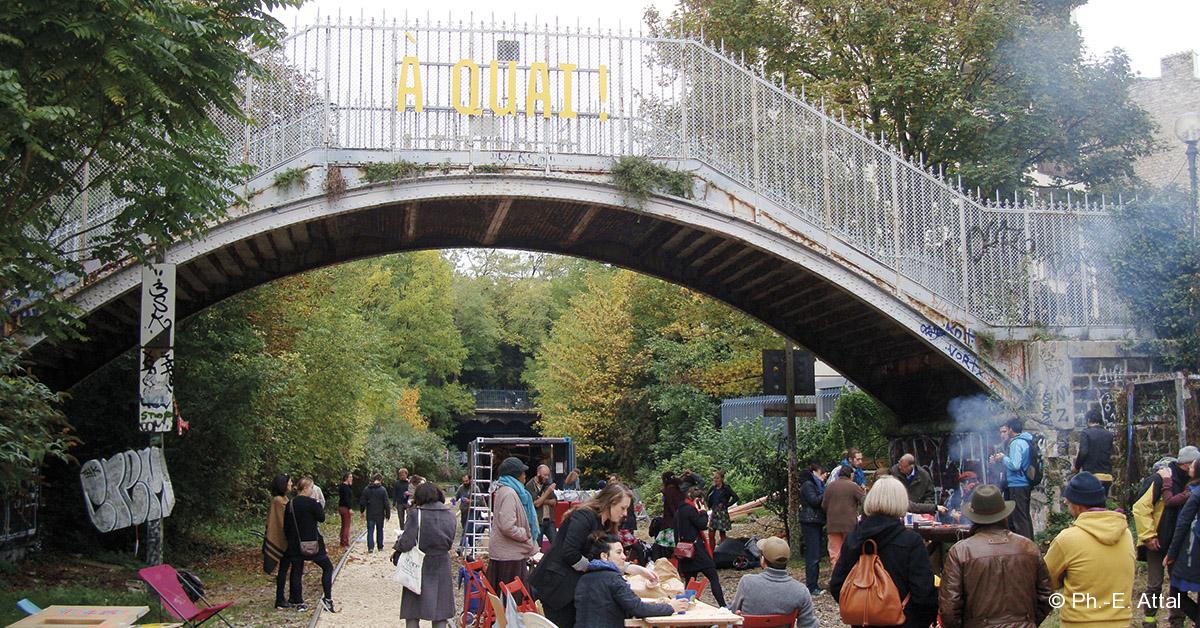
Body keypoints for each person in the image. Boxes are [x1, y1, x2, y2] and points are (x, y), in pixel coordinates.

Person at [530, 482, 660, 628]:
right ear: (610, 502)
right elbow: (570, 552)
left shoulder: (605, 524)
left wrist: (637, 569)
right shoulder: (584, 516)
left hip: (571, 588)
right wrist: (596, 569)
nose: (625, 513)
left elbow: (606, 558)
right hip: (555, 587)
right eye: (622, 508)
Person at [829, 476, 938, 628]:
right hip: (903, 621)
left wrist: (860, 607)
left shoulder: (854, 538)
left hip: (863, 621)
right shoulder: (911, 541)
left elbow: (836, 585)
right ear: (901, 502)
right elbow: (924, 594)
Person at [938, 484, 1052, 627]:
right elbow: (1047, 596)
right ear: (1003, 514)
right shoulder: (1028, 547)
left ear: (975, 517)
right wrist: (1027, 621)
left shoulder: (961, 551)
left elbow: (949, 608)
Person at [1044, 472, 1135, 628]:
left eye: (1068, 502)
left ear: (1078, 507)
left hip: (1080, 623)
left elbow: (1046, 580)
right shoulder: (1125, 534)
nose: (1066, 503)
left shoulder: (1067, 539)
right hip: (1121, 622)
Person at [1133, 446, 1197, 628]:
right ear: (1186, 465)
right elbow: (1141, 508)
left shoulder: (1192, 482)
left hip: (1180, 543)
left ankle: (1177, 621)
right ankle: (1149, 620)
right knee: (1154, 584)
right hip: (1156, 542)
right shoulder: (1159, 480)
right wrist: (1148, 536)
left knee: (1177, 585)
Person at [574, 534, 687, 628]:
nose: (624, 557)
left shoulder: (583, 579)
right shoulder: (613, 578)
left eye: (623, 552)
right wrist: (671, 607)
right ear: (604, 556)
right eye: (618, 553)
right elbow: (637, 608)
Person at [396, 483, 457, 628]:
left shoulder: (416, 514)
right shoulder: (450, 514)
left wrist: (397, 545)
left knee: (412, 610)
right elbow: (450, 542)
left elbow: (407, 542)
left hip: (419, 563)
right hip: (442, 562)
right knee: (440, 611)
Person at [730, 536, 819, 628]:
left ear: (763, 560)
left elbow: (732, 614)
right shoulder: (801, 591)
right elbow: (809, 625)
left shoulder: (747, 582)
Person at [488, 456, 539, 591]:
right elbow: (507, 525)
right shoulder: (509, 493)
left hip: (507, 553)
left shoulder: (506, 490)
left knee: (508, 601)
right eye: (523, 472)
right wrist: (525, 533)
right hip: (509, 556)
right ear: (516, 475)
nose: (525, 476)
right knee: (514, 601)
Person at [287, 477, 337, 613]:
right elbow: (321, 517)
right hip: (313, 541)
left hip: (296, 543)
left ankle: (298, 601)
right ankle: (327, 598)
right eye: (311, 488)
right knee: (327, 567)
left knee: (297, 571)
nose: (312, 490)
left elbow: (287, 525)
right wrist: (316, 503)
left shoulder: (290, 504)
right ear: (305, 488)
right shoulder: (312, 503)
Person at [676, 486, 727, 607]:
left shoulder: (679, 510)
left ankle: (687, 605)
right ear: (697, 500)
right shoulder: (690, 509)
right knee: (713, 577)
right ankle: (723, 606)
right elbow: (702, 524)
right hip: (697, 550)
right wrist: (703, 511)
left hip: (685, 551)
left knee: (689, 582)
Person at [1166, 458, 1200, 624]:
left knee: (1177, 591)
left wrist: (1171, 554)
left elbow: (1183, 524)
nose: (1190, 466)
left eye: (1194, 464)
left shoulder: (1195, 494)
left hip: (1191, 552)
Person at [989, 419, 1034, 540]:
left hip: (1018, 484)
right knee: (1023, 517)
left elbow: (1015, 465)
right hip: (1021, 483)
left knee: (1019, 519)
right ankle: (1029, 544)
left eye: (1005, 430)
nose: (1003, 434)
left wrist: (1003, 458)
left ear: (1011, 430)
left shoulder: (1016, 443)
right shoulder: (1026, 440)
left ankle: (1025, 547)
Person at [264, 474, 300, 609]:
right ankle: (280, 598)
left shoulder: (284, 499)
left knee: (286, 569)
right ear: (283, 484)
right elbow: (280, 523)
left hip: (288, 540)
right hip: (283, 540)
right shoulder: (278, 501)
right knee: (283, 570)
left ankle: (287, 597)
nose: (291, 484)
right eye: (289, 482)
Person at [822, 463, 864, 571]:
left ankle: (837, 575)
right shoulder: (853, 486)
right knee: (850, 551)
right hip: (849, 525)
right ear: (850, 475)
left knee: (835, 553)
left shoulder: (830, 486)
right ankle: (849, 577)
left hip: (832, 525)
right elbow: (865, 501)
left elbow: (824, 505)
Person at [798, 462, 827, 596]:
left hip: (815, 520)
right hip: (810, 521)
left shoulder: (812, 484)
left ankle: (813, 584)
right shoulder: (809, 485)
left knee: (815, 553)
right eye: (823, 474)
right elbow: (814, 501)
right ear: (816, 472)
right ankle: (812, 586)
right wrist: (826, 493)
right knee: (813, 554)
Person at [1074, 409, 1114, 491]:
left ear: (1088, 420)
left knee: (1090, 502)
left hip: (1091, 477)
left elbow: (1083, 452)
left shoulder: (1086, 433)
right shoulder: (1109, 434)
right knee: (1101, 502)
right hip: (1107, 477)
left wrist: (1076, 467)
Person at [654, 472, 686, 557]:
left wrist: (676, 517)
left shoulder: (668, 491)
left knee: (666, 546)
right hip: (680, 519)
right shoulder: (679, 489)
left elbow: (672, 507)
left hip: (670, 522)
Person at [706, 470, 739, 549]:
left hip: (722, 512)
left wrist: (727, 504)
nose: (715, 480)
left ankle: (723, 550)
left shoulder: (726, 488)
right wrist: (709, 505)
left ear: (722, 479)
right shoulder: (713, 488)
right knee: (711, 533)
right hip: (714, 511)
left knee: (722, 533)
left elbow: (735, 497)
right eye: (714, 478)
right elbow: (707, 497)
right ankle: (711, 551)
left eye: (717, 478)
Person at [526, 464, 558, 546]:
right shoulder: (530, 485)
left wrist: (541, 500)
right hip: (538, 521)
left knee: (556, 544)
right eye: (545, 475)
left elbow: (554, 502)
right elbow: (535, 504)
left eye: (548, 475)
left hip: (549, 520)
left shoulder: (547, 484)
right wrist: (548, 492)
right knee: (537, 546)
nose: (547, 477)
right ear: (538, 473)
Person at [359, 473, 391, 553]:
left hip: (370, 513)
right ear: (380, 480)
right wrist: (388, 514)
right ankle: (380, 546)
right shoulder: (383, 490)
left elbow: (362, 502)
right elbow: (386, 503)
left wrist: (362, 511)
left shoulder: (367, 489)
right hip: (380, 514)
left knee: (370, 530)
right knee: (380, 530)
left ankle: (370, 547)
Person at [453, 474, 473, 549]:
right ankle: (472, 546)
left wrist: (470, 501)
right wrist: (453, 502)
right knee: (466, 529)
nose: (465, 483)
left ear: (470, 480)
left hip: (472, 512)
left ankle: (461, 546)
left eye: (467, 481)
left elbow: (480, 501)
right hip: (463, 512)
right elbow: (456, 497)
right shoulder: (461, 488)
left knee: (467, 529)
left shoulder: (475, 488)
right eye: (464, 481)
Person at [338, 472, 354, 547]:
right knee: (346, 525)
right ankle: (345, 542)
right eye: (350, 477)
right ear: (346, 478)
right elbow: (347, 499)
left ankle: (342, 540)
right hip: (345, 508)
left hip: (341, 507)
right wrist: (350, 508)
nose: (351, 478)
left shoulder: (343, 486)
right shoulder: (345, 488)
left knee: (343, 525)